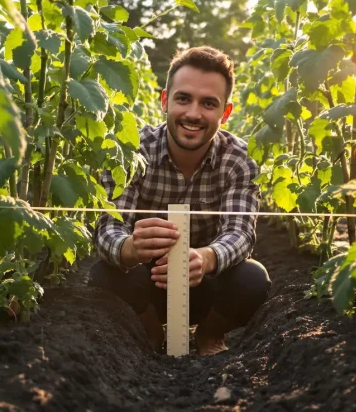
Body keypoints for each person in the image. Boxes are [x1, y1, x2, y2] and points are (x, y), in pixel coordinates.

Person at [89, 46, 271, 356]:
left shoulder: (239, 159)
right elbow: (108, 225)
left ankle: (209, 335)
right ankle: (149, 332)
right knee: (103, 274)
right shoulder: (132, 150)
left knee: (253, 278)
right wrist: (130, 248)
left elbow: (241, 233)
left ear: (225, 113)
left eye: (209, 103)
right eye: (183, 99)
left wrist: (207, 257)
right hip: (147, 284)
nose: (193, 114)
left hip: (207, 287)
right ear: (165, 101)